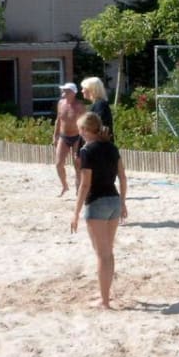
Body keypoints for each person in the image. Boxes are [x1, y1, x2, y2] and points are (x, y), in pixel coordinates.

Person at [70, 112, 127, 309]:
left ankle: (104, 301)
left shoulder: (87, 151)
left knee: (102, 254)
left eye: (80, 129)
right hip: (114, 200)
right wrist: (124, 203)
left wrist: (75, 212)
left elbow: (85, 185)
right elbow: (123, 177)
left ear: (85, 130)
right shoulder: (112, 147)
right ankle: (105, 294)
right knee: (108, 253)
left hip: (97, 203)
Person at [52, 82, 86, 196]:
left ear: (73, 93)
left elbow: (85, 122)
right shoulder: (60, 103)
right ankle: (64, 185)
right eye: (63, 91)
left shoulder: (79, 105)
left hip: (77, 137)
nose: (64, 93)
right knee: (58, 163)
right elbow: (58, 120)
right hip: (63, 136)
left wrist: (85, 138)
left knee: (77, 164)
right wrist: (55, 135)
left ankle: (78, 189)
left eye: (66, 91)